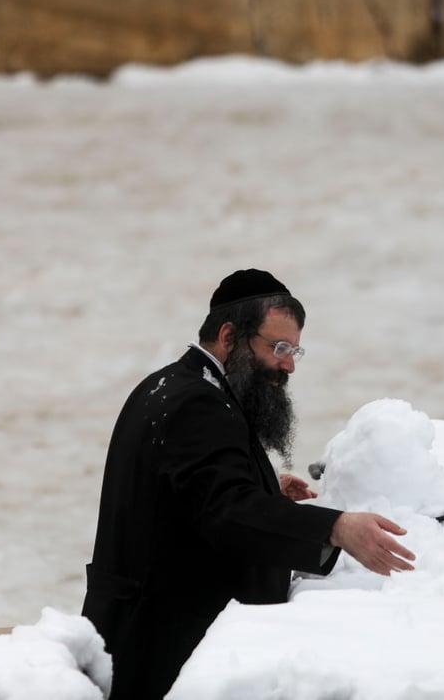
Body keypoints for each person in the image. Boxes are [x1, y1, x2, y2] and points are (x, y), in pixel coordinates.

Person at [83, 268, 417, 699]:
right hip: (162, 652)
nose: (289, 365)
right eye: (278, 347)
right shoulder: (198, 404)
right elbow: (227, 511)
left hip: (136, 632)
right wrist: (336, 528)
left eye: (295, 350)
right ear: (229, 336)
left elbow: (184, 495)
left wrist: (263, 487)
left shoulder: (166, 385)